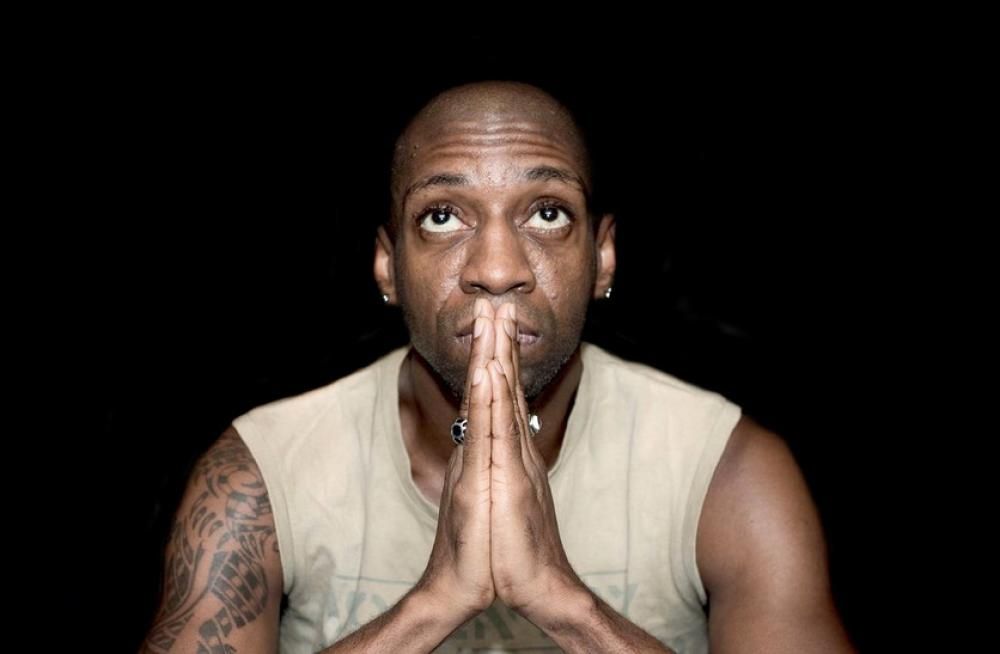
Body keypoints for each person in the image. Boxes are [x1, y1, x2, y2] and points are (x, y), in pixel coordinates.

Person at [140, 80, 855, 653]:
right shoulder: (257, 479)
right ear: (388, 266)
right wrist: (435, 603)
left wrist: (560, 599)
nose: (497, 268)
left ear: (603, 257)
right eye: (442, 217)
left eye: (546, 213)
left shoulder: (729, 473)